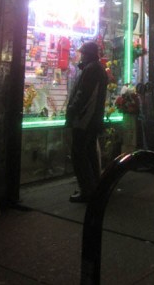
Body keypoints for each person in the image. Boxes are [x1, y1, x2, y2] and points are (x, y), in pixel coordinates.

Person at [65, 41, 108, 203]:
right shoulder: (96, 68)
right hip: (91, 119)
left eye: (83, 54)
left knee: (79, 155)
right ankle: (95, 187)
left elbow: (82, 95)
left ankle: (87, 190)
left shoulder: (92, 69)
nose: (81, 56)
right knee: (89, 153)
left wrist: (71, 111)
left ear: (88, 54)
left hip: (84, 119)